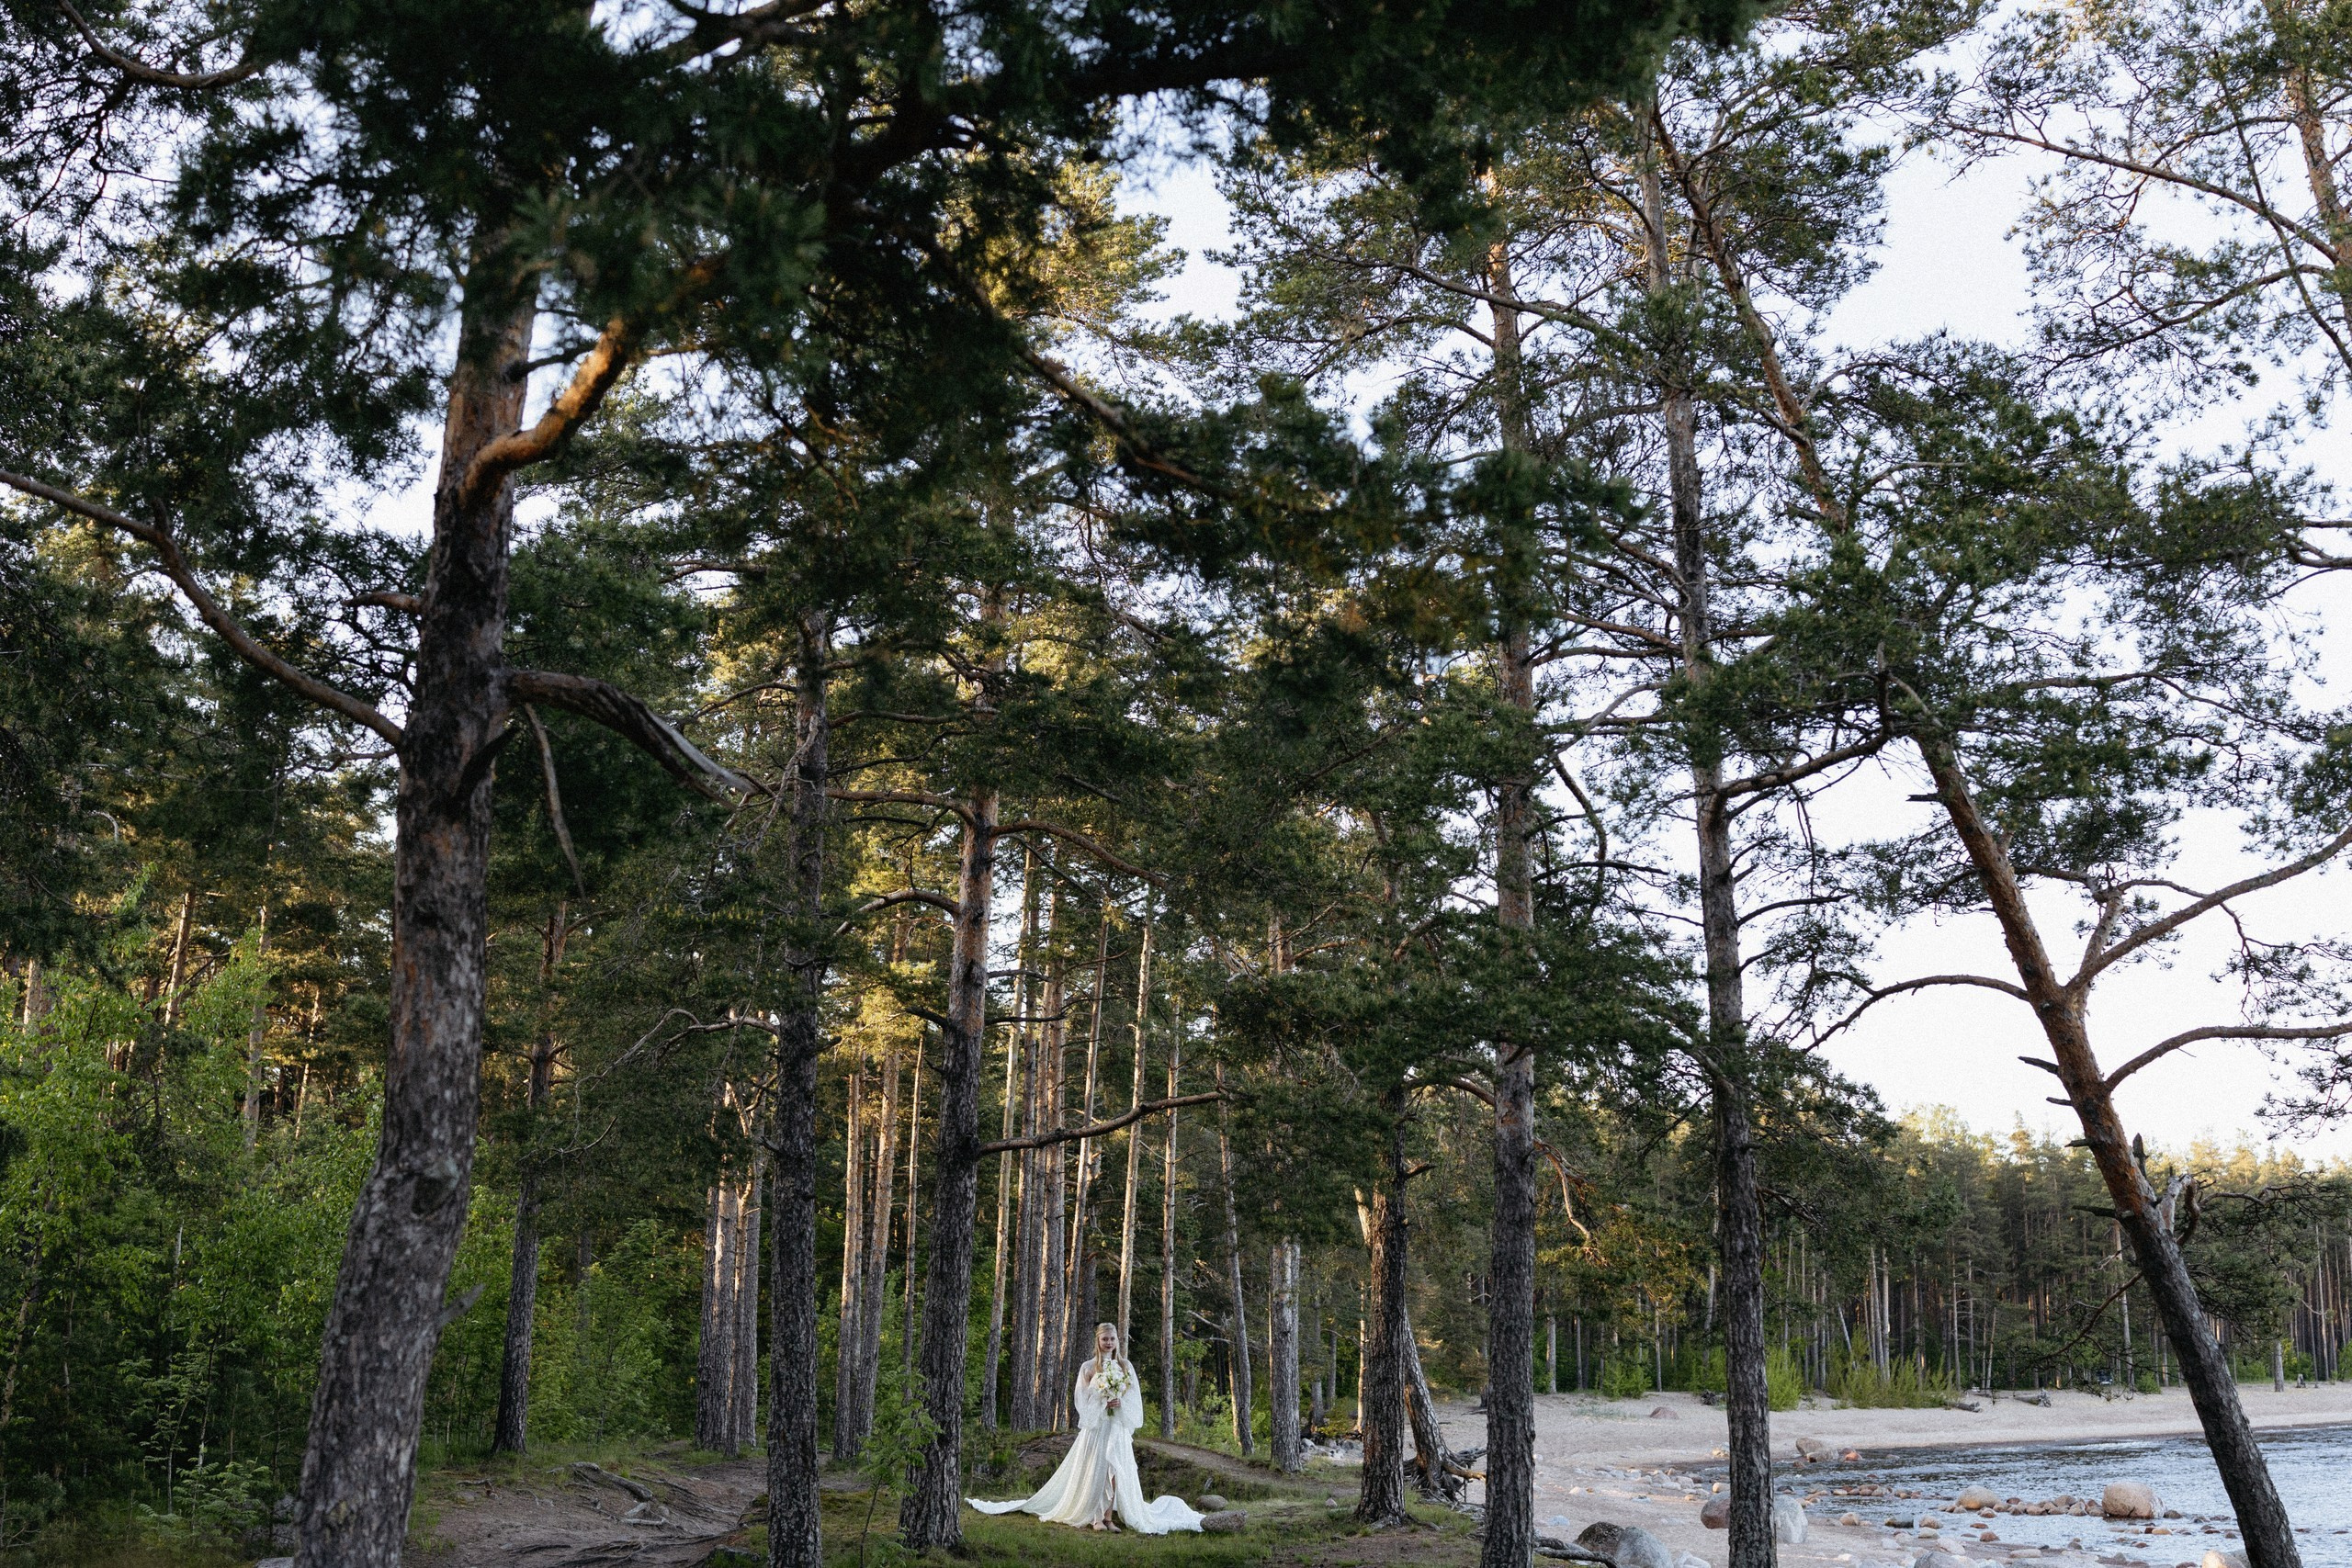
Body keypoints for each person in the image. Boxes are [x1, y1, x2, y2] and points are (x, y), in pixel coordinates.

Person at [967, 1323, 1206, 1534]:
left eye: (1112, 1339)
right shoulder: (1088, 1367)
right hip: (1098, 1427)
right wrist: (1103, 1399)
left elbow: (1134, 1398)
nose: (1108, 1343)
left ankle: (1109, 1517)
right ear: (1098, 1341)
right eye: (1104, 1339)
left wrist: (1119, 1401)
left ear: (1117, 1341)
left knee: (1115, 1470)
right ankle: (1095, 1517)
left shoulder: (1125, 1366)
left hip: (1116, 1426)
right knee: (1096, 1469)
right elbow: (1081, 1400)